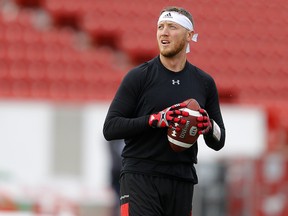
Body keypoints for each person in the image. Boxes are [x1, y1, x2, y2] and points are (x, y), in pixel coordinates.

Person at [103, 6, 225, 216]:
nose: (163, 32)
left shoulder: (204, 82)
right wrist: (155, 120)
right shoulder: (139, 77)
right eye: (160, 27)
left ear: (189, 35)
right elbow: (111, 128)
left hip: (182, 179)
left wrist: (208, 126)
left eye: (172, 27)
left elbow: (219, 140)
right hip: (140, 177)